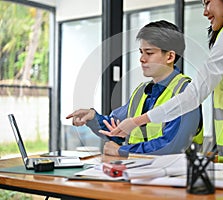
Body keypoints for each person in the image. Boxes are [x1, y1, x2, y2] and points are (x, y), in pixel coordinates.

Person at [101, 0, 223, 174]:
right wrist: (94, 117)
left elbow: (193, 96)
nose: (205, 11)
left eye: (207, 2)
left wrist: (136, 122)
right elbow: (112, 123)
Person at [66, 20, 203, 157]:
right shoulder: (141, 92)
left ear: (170, 56)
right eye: (141, 52)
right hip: (138, 173)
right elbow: (116, 130)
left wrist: (122, 150)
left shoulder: (186, 92)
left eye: (149, 53)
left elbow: (172, 146)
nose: (142, 59)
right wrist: (93, 118)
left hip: (174, 175)